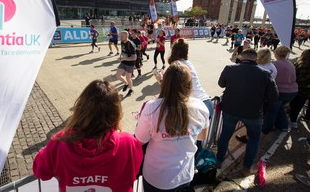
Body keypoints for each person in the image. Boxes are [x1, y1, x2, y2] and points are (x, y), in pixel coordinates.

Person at [33, 79, 143, 192]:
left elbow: (40, 171)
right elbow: (134, 170)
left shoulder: (59, 143)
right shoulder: (129, 143)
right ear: (116, 112)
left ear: (80, 108)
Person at [135, 61, 209, 191]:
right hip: (184, 175)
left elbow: (140, 140)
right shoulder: (200, 107)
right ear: (189, 84)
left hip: (156, 177)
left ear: (165, 83)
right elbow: (202, 136)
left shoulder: (152, 108)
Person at [216, 48, 278, 176]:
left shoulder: (230, 68)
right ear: (256, 59)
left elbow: (221, 84)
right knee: (254, 139)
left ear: (241, 57)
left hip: (230, 109)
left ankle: (219, 161)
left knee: (225, 135)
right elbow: (273, 96)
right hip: (253, 113)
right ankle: (246, 168)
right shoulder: (265, 73)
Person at [272, 45, 298, 130]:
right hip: (292, 91)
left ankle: (281, 125)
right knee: (279, 107)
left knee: (274, 109)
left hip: (281, 91)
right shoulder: (290, 63)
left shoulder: (274, 64)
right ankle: (283, 125)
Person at [289, 49, 310, 126]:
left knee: (294, 104)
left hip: (297, 87)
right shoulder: (302, 64)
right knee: (299, 105)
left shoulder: (299, 63)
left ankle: (292, 119)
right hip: (306, 90)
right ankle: (295, 120)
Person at [116, 31, 137, 97]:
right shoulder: (122, 42)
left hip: (130, 63)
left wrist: (124, 59)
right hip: (123, 61)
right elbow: (122, 50)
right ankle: (125, 83)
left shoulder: (130, 44)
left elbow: (134, 57)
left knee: (128, 78)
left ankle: (131, 89)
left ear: (126, 36)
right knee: (118, 75)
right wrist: (120, 57)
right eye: (120, 36)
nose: (120, 37)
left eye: (122, 36)